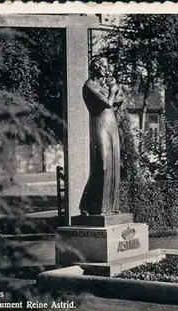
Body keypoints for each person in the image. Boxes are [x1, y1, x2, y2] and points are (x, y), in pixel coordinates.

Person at [79, 57, 124, 215]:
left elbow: (119, 99)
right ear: (96, 67)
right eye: (104, 66)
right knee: (102, 165)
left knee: (113, 166)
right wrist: (112, 91)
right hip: (99, 125)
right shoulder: (89, 86)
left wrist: (115, 92)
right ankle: (86, 206)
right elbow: (107, 103)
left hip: (112, 124)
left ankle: (109, 207)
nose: (107, 69)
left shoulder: (102, 86)